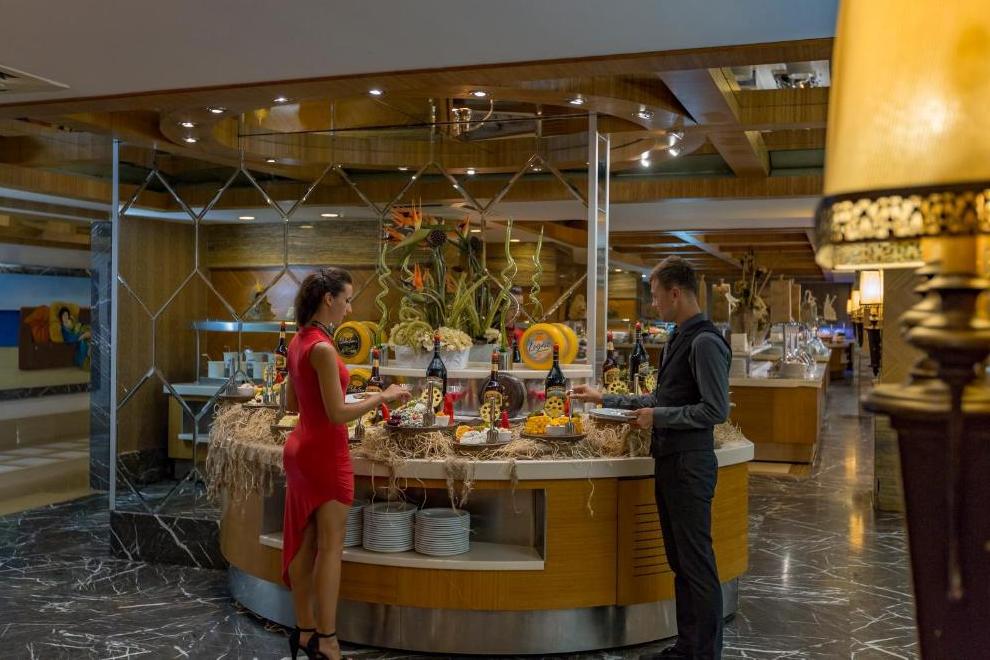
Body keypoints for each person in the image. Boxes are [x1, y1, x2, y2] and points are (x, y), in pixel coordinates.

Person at [573, 256, 730, 660]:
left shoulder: (705, 342)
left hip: (690, 466)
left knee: (697, 566)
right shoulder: (679, 337)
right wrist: (606, 399)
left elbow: (715, 410)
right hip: (671, 462)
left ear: (676, 293)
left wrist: (658, 417)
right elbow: (662, 399)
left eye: (657, 296)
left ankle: (704, 654)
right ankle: (688, 647)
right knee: (681, 563)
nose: (654, 304)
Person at [282, 267, 411, 660]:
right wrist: (382, 396)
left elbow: (291, 403)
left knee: (305, 544)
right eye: (347, 300)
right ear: (329, 299)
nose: (350, 309)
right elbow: (337, 414)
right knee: (330, 549)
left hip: (300, 449)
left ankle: (305, 632)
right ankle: (328, 640)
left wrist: (337, 397)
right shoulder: (323, 348)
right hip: (325, 453)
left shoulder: (298, 341)